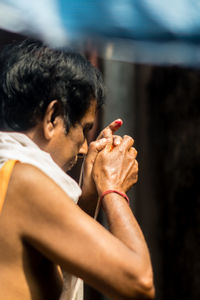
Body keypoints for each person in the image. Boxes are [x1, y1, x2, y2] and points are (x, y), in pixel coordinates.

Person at [0, 39, 155, 300]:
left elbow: (59, 258)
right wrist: (113, 188)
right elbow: (139, 282)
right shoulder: (22, 179)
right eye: (83, 130)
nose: (84, 149)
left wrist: (90, 196)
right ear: (53, 118)